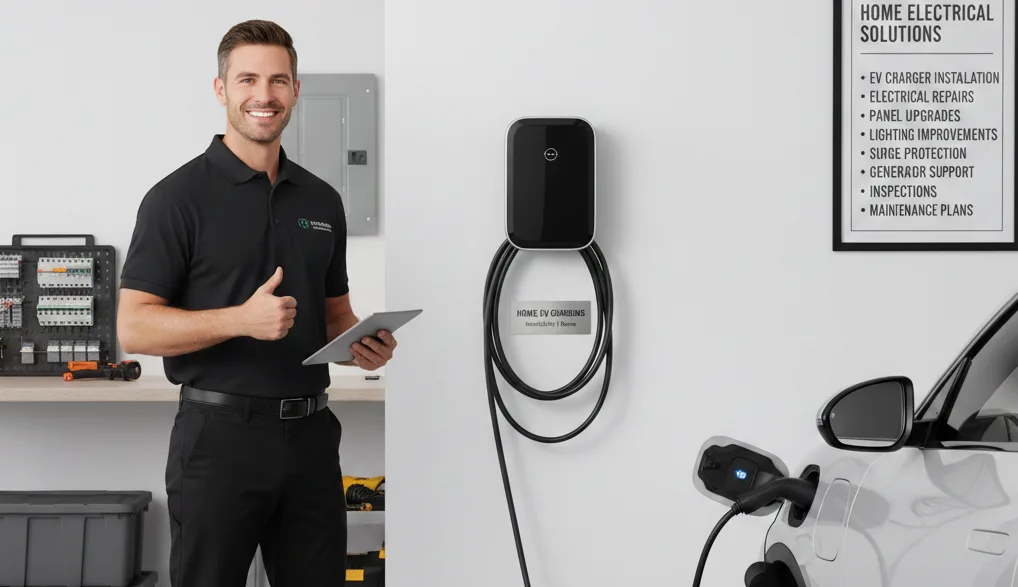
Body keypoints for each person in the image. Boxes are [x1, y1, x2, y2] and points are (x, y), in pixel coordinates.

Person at [116, 19, 396, 587]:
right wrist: (241, 320)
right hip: (219, 437)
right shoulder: (176, 199)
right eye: (247, 79)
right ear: (221, 89)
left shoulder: (322, 199)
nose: (263, 95)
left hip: (313, 436)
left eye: (277, 80)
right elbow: (135, 329)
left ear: (295, 90)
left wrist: (359, 345)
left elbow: (333, 313)